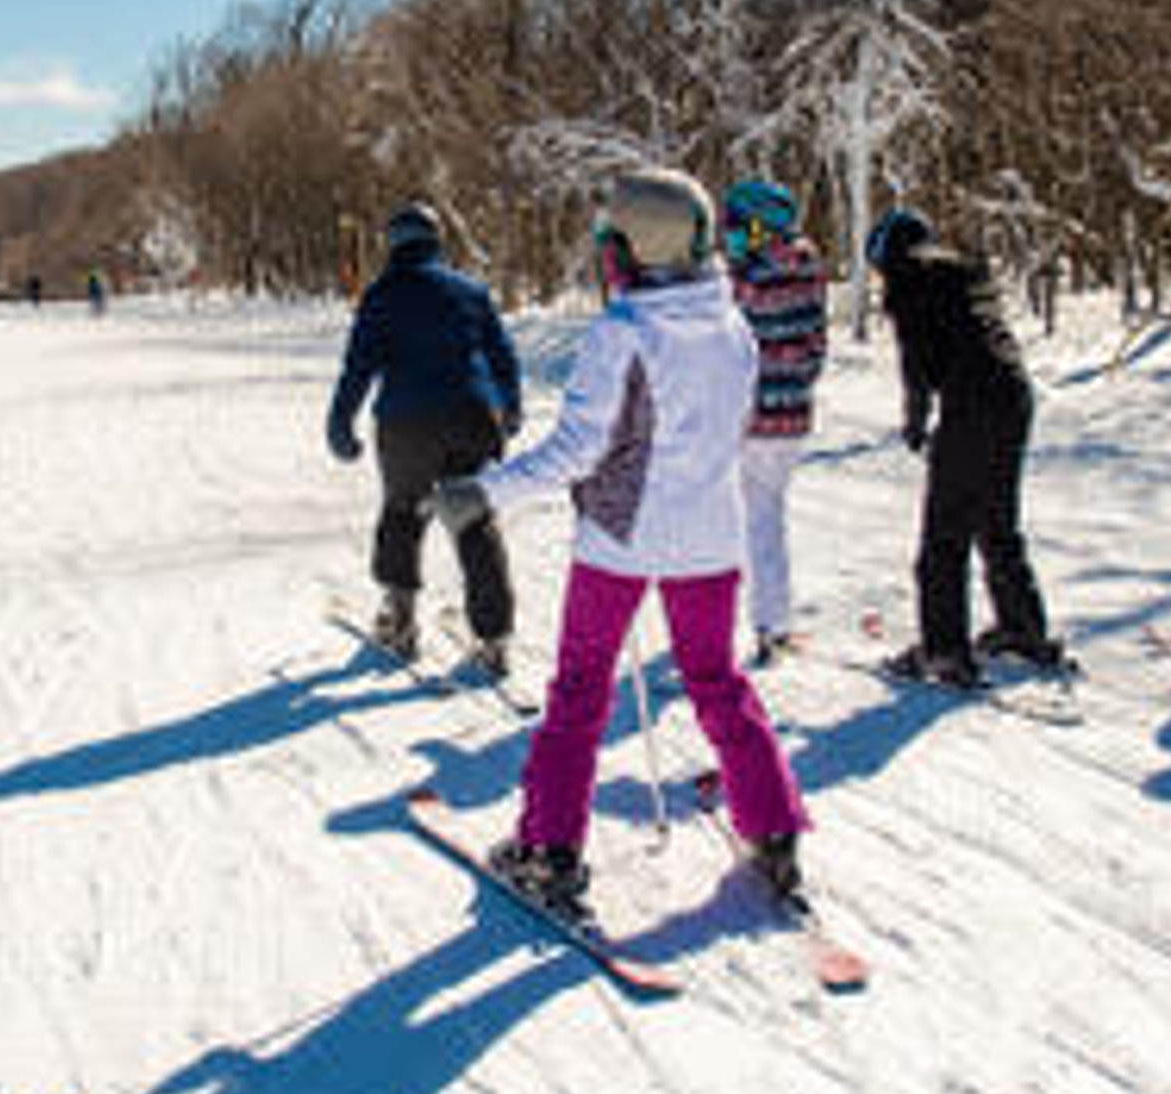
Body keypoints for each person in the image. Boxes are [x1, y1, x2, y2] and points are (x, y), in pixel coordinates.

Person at [432, 169, 810, 916]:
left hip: (621, 537)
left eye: (612, 239)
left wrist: (485, 490)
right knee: (717, 680)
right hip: (710, 533)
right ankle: (774, 827)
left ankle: (549, 848)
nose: (605, 253)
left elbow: (576, 449)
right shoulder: (732, 323)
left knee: (580, 689)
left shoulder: (624, 332)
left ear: (635, 248)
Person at [864, 207, 1067, 687]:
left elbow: (917, 361)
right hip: (1013, 396)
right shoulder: (964, 270)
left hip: (972, 404)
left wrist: (915, 421)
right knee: (997, 521)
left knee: (944, 534)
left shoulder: (908, 278)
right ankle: (1023, 627)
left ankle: (945, 651)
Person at [327, 201, 521, 672]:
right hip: (472, 417)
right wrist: (510, 409)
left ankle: (400, 620)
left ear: (392, 245)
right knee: (474, 521)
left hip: (408, 423)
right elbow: (503, 355)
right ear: (437, 241)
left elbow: (359, 367)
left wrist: (341, 424)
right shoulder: (472, 291)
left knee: (403, 513)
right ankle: (494, 639)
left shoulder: (381, 295)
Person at [720, 176, 830, 664]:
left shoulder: (746, 277)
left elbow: (726, 339)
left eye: (739, 226)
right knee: (765, 513)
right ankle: (770, 618)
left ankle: (760, 622)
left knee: (741, 518)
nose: (731, 236)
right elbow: (815, 344)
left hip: (750, 413)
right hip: (792, 411)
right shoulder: (809, 266)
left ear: (763, 228)